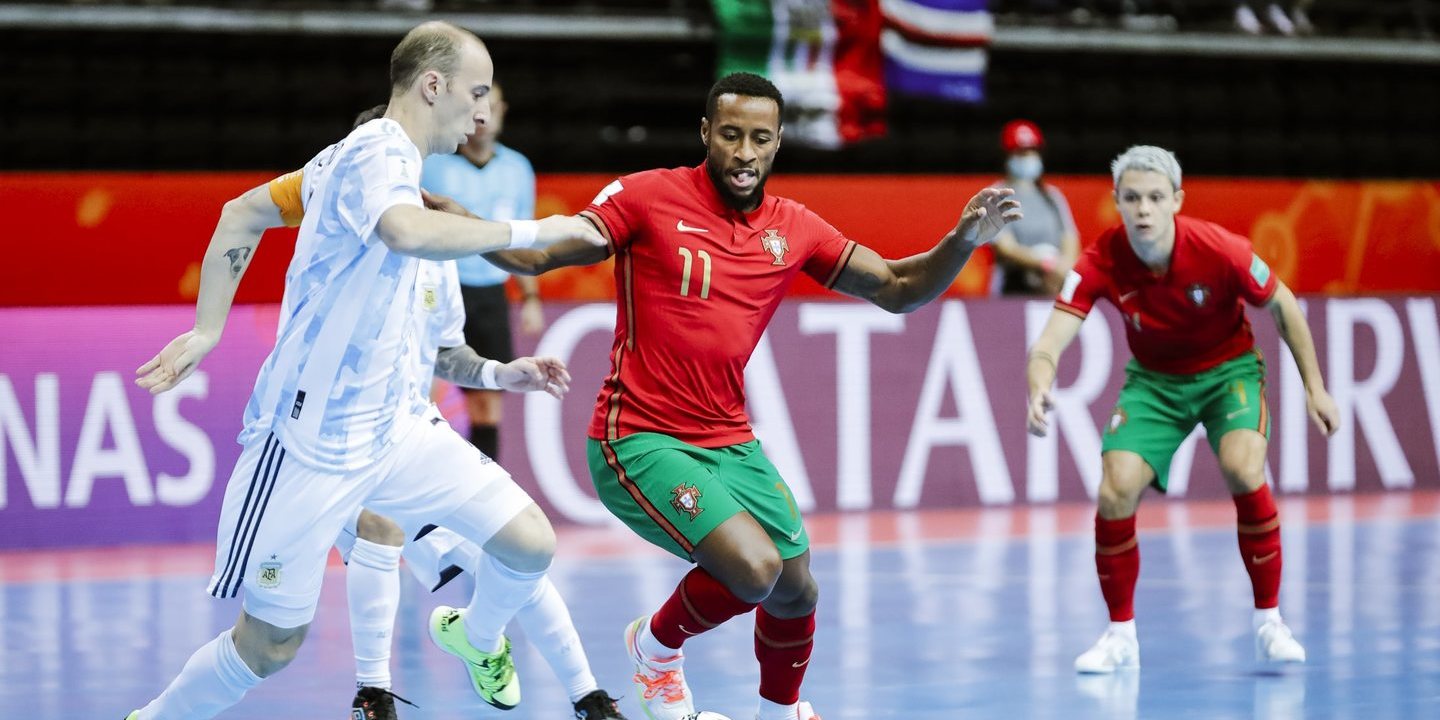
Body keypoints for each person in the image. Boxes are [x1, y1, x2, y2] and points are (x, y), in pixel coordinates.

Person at [470, 71, 1021, 720]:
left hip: (728, 438)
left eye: (760, 138)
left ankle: (776, 713)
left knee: (796, 589)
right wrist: (457, 226)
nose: (744, 152)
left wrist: (962, 243)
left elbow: (899, 288)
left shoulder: (794, 227)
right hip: (639, 437)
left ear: (778, 143)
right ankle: (654, 648)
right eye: (730, 135)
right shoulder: (649, 197)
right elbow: (544, 255)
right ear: (706, 133)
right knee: (755, 570)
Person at [125, 21, 605, 719]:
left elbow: (243, 213)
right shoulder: (376, 151)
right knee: (269, 646)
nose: (481, 113)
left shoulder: (355, 165)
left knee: (528, 542)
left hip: (396, 431)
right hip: (308, 443)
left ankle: (475, 637)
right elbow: (402, 231)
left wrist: (208, 328)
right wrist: (535, 231)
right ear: (431, 85)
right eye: (475, 93)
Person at [257, 138, 626, 719]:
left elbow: (445, 353)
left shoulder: (433, 257)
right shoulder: (327, 255)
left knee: (515, 551)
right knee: (373, 532)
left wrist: (502, 374)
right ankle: (372, 695)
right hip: (334, 445)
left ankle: (587, 696)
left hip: (414, 436)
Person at [1024, 145, 1340, 674]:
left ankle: (1269, 623)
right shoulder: (1100, 260)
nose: (1143, 209)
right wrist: (1039, 385)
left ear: (1176, 201)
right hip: (1154, 384)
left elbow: (1283, 304)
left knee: (1244, 468)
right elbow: (1048, 343)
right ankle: (1120, 635)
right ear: (1117, 203)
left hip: (1228, 373)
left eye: (1154, 198)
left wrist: (1316, 387)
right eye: (1131, 199)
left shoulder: (1221, 249)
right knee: (1114, 487)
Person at [422, 80, 544, 461]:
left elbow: (522, 237)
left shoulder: (518, 168)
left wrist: (531, 297)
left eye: (491, 106)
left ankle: (482, 494)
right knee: (423, 401)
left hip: (490, 296)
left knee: (487, 408)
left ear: (502, 110)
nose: (483, 116)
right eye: (476, 105)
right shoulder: (434, 164)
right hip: (442, 291)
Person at [989, 119, 1079, 296]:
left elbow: (1070, 239)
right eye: (1021, 153)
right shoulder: (996, 194)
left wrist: (1063, 270)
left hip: (1054, 286)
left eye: (1032, 152)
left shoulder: (1052, 196)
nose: (1027, 158)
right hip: (1013, 289)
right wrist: (1046, 264)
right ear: (1008, 156)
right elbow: (1005, 248)